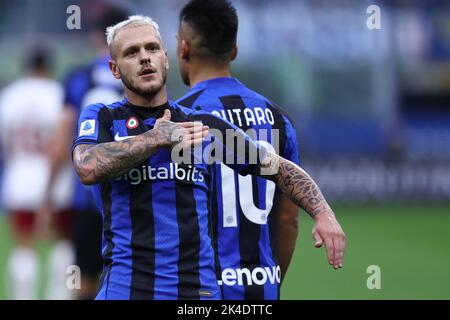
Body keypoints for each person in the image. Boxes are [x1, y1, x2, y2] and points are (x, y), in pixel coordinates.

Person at [71, 15, 345, 300]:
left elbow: (277, 168)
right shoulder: (103, 116)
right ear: (115, 69)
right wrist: (154, 139)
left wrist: (323, 212)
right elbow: (87, 166)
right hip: (125, 292)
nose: (144, 58)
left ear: (166, 58)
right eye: (132, 52)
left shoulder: (202, 126)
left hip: (195, 296)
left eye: (152, 48)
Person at [175, 0, 301, 299]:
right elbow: (288, 219)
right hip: (262, 288)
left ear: (184, 49)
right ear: (234, 50)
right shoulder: (277, 118)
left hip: (199, 291)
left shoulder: (178, 121)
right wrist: (270, 285)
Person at [42, 4, 129, 300]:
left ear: (96, 37)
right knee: (134, 279)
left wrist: (48, 195)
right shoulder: (143, 75)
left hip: (88, 197)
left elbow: (61, 140)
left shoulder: (78, 79)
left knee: (84, 283)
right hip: (131, 196)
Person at [0, 49, 74, 299]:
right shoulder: (59, 94)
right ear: (48, 67)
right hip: (58, 181)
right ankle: (59, 295)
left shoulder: (9, 97)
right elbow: (65, 142)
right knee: (62, 242)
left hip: (20, 178)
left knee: (23, 245)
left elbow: (6, 144)